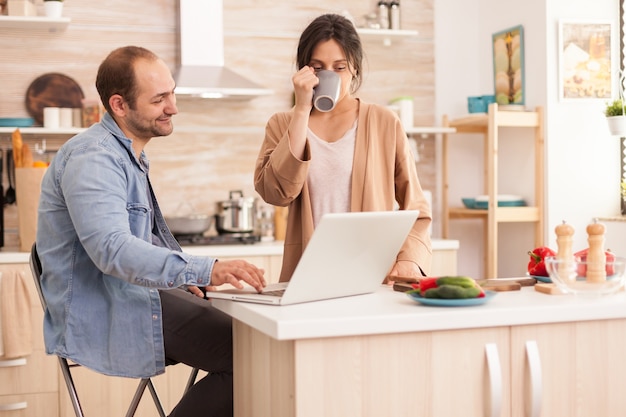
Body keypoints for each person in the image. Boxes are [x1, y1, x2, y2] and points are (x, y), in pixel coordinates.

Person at [36, 46, 266, 417]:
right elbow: (113, 250)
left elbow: (142, 240)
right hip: (109, 308)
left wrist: (182, 276)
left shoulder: (127, 154)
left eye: (172, 93)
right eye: (160, 99)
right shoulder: (94, 158)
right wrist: (205, 268)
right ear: (120, 105)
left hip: (134, 296)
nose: (173, 107)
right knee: (253, 356)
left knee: (257, 343)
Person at [254, 13, 432, 282]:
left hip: (372, 275)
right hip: (308, 277)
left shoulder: (384, 122)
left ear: (355, 69)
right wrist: (301, 109)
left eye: (340, 67)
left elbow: (416, 206)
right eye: (318, 67)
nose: (331, 75)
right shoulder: (282, 124)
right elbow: (277, 193)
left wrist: (409, 259)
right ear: (304, 69)